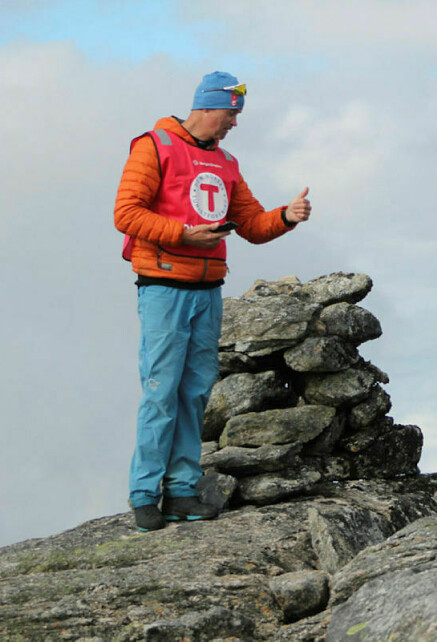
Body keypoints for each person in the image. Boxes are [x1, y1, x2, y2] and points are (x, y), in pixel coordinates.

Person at [114, 71, 312, 532]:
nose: (234, 124)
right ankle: (145, 494)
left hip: (208, 291)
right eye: (231, 114)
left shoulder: (225, 162)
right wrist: (183, 234)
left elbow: (252, 226)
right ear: (207, 107)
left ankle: (181, 491)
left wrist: (286, 216)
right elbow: (125, 213)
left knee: (196, 391)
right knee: (162, 390)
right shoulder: (154, 145)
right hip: (163, 286)